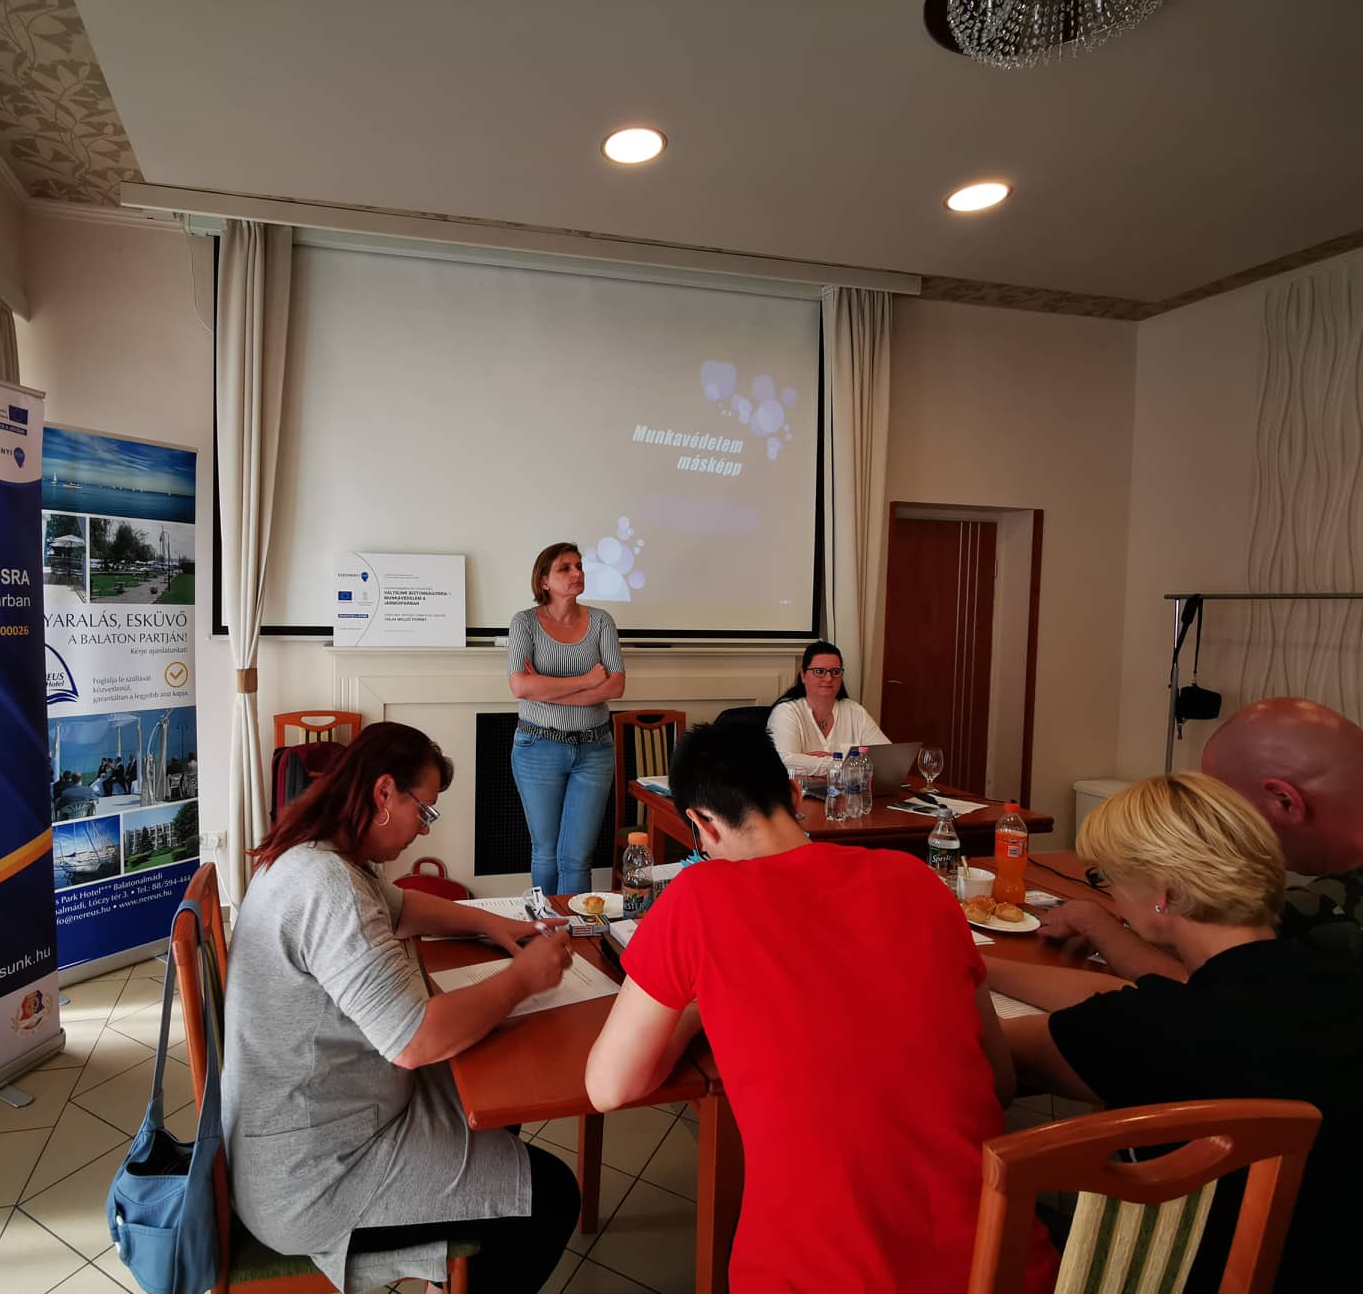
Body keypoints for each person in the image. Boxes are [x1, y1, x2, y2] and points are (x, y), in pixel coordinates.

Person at [585, 722, 1056, 1292]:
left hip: (814, 1276)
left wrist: (698, 1008)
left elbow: (607, 1087)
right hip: (1006, 1266)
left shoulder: (698, 897)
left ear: (703, 825)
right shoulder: (918, 880)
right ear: (794, 793)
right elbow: (1000, 1082)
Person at [222, 721, 581, 1293]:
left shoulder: (320, 854)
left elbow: (405, 908)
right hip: (314, 1179)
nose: (425, 827)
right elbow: (416, 1040)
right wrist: (523, 979)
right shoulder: (328, 888)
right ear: (384, 792)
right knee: (553, 1195)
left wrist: (492, 924)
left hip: (312, 1131)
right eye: (425, 809)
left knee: (492, 1089)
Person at [989, 772, 1363, 1292]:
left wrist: (952, 969)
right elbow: (1152, 993)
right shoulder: (1330, 979)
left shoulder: (1145, 1032)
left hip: (1199, 1273)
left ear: (1162, 894)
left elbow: (987, 1048)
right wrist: (983, 964)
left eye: (1108, 879)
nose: (1111, 895)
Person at [1039, 698, 1363, 976]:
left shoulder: (1330, 915)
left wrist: (1097, 925)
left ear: (1284, 801)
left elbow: (1209, 988)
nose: (1207, 824)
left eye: (1220, 807)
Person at [508, 542, 625, 894]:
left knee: (577, 858)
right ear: (544, 581)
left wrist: (548, 690)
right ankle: (546, 924)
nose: (577, 573)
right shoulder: (524, 623)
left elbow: (616, 685)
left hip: (595, 749)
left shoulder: (601, 621)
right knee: (546, 853)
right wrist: (587, 681)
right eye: (565, 568)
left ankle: (576, 927)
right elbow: (520, 686)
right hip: (537, 747)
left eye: (579, 566)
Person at [765, 639, 887, 774]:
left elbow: (886, 757)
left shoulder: (855, 711)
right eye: (819, 671)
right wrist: (846, 762)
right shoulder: (785, 712)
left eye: (835, 671)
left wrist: (828, 760)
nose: (828, 678)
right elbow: (785, 761)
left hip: (849, 787)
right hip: (799, 788)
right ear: (803, 676)